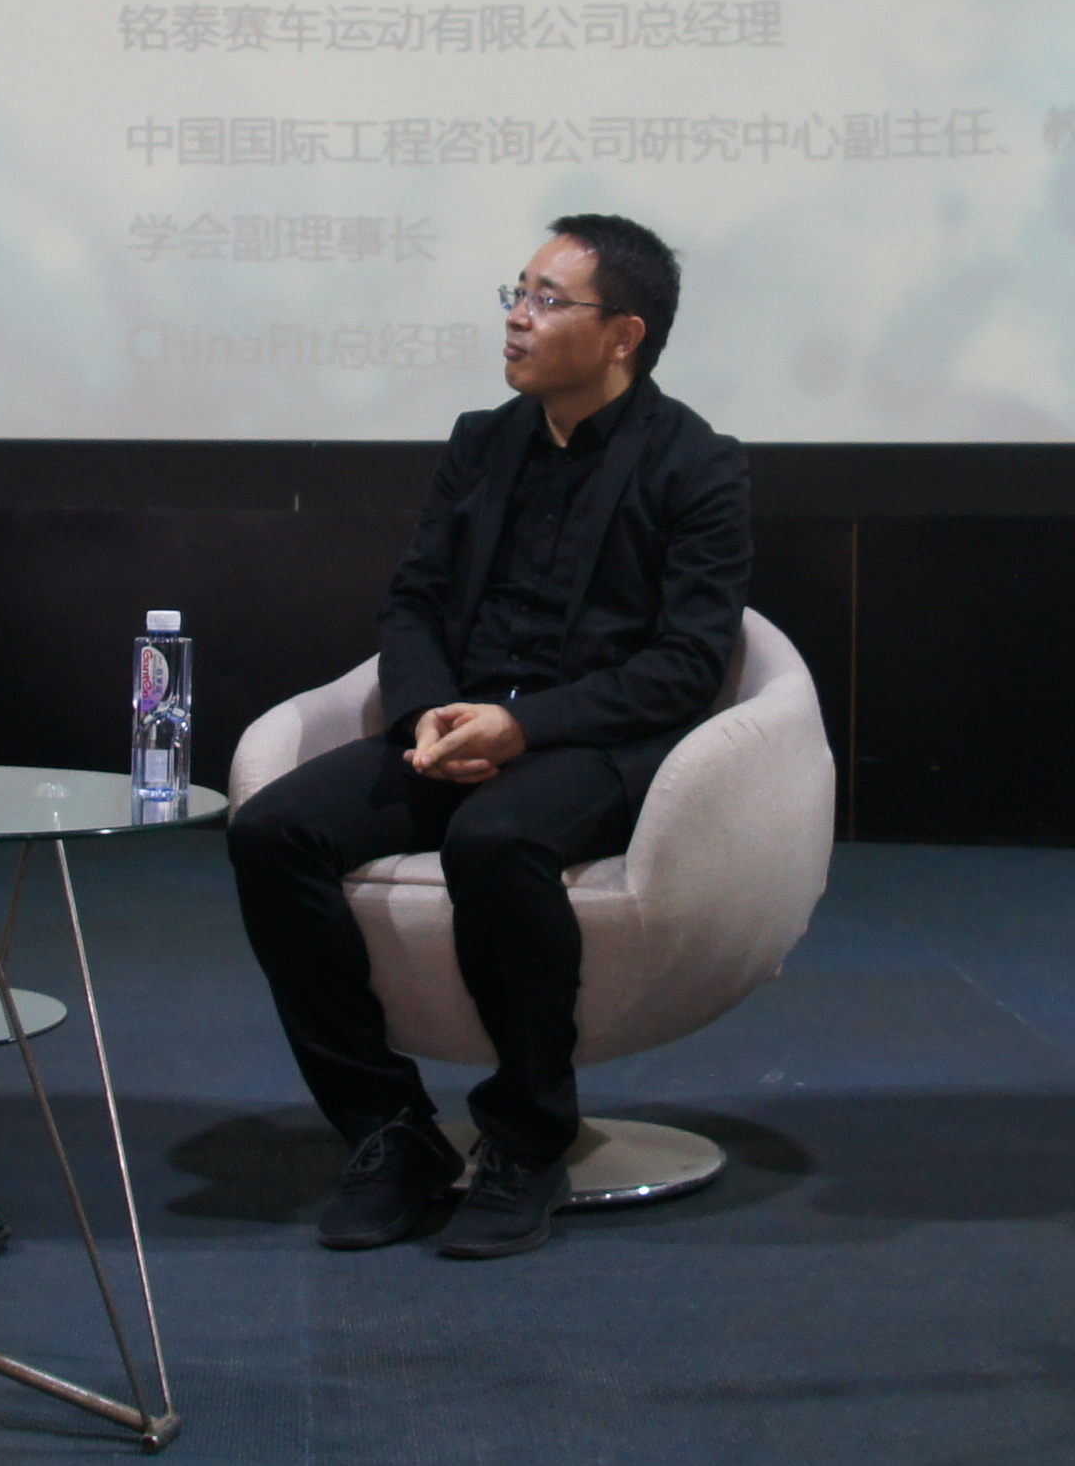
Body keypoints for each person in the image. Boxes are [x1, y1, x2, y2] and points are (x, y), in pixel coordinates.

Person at [228, 215, 754, 1263]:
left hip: (593, 743)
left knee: (495, 840)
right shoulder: (483, 440)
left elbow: (686, 665)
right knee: (272, 831)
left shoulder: (697, 464)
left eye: (549, 300)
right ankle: (389, 1129)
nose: (518, 317)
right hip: (457, 724)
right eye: (517, 291)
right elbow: (415, 600)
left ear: (624, 335)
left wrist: (525, 725)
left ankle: (525, 1139)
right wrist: (426, 709)